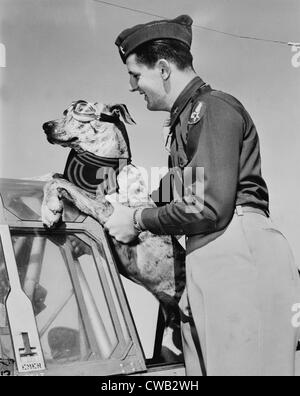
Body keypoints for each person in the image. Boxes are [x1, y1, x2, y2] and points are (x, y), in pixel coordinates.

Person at [105, 14, 300, 376]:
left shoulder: (211, 109)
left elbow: (209, 206)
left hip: (236, 250)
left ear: (163, 69)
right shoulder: (184, 124)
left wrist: (137, 220)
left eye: (136, 75)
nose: (133, 87)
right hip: (207, 256)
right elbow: (173, 193)